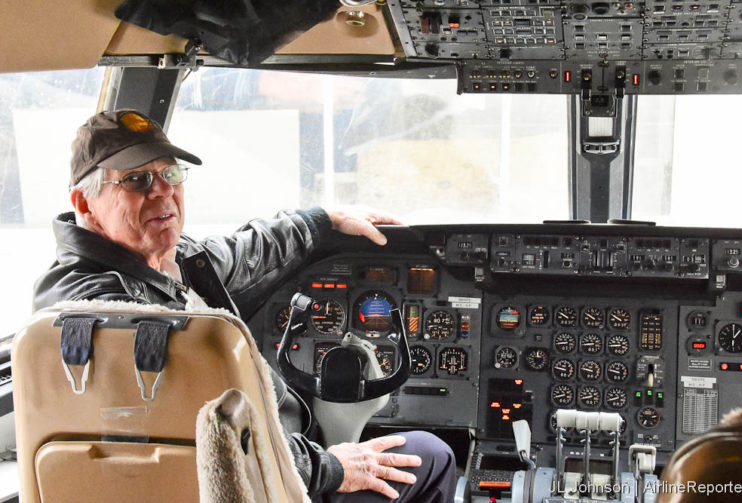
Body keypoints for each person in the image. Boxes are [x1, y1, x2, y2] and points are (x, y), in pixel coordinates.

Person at [33, 109, 457, 502]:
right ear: (85, 204)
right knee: (430, 455)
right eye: (137, 181)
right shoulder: (101, 310)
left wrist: (321, 220)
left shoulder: (170, 262)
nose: (163, 191)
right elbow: (200, 434)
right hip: (246, 484)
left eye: (170, 173)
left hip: (269, 458)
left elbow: (244, 251)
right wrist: (326, 468)